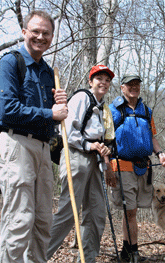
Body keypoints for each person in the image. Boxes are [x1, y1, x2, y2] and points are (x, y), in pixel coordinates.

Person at [0, 10, 68, 263]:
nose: (40, 37)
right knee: (19, 219)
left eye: (46, 33)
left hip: (43, 149)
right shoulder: (10, 63)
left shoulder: (47, 71)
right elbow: (7, 111)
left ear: (52, 37)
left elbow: (52, 117)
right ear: (24, 32)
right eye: (35, 31)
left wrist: (58, 108)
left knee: (43, 221)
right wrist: (50, 112)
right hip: (17, 145)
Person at [47, 65, 115, 263]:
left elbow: (102, 136)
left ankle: (87, 259)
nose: (103, 82)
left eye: (107, 80)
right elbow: (66, 130)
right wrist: (88, 144)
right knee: (69, 211)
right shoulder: (81, 98)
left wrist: (103, 150)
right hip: (75, 156)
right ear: (90, 81)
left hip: (95, 162)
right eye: (99, 78)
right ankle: (39, 256)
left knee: (96, 213)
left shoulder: (102, 106)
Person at [107, 74, 165, 262]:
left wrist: (161, 154)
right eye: (130, 85)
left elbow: (152, 137)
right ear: (122, 87)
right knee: (130, 211)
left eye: (137, 84)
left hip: (143, 167)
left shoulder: (146, 110)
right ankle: (133, 251)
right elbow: (106, 138)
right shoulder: (113, 110)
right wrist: (107, 166)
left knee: (133, 212)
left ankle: (127, 251)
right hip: (122, 166)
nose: (134, 87)